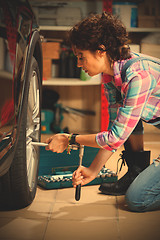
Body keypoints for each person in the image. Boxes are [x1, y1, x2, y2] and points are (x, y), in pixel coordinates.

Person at [45, 12, 160, 212]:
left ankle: (140, 180)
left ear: (101, 50)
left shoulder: (138, 76)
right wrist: (93, 171)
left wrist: (70, 139)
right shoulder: (111, 76)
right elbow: (117, 130)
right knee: (126, 121)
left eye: (82, 57)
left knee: (137, 200)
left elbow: (114, 138)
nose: (79, 64)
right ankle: (137, 172)